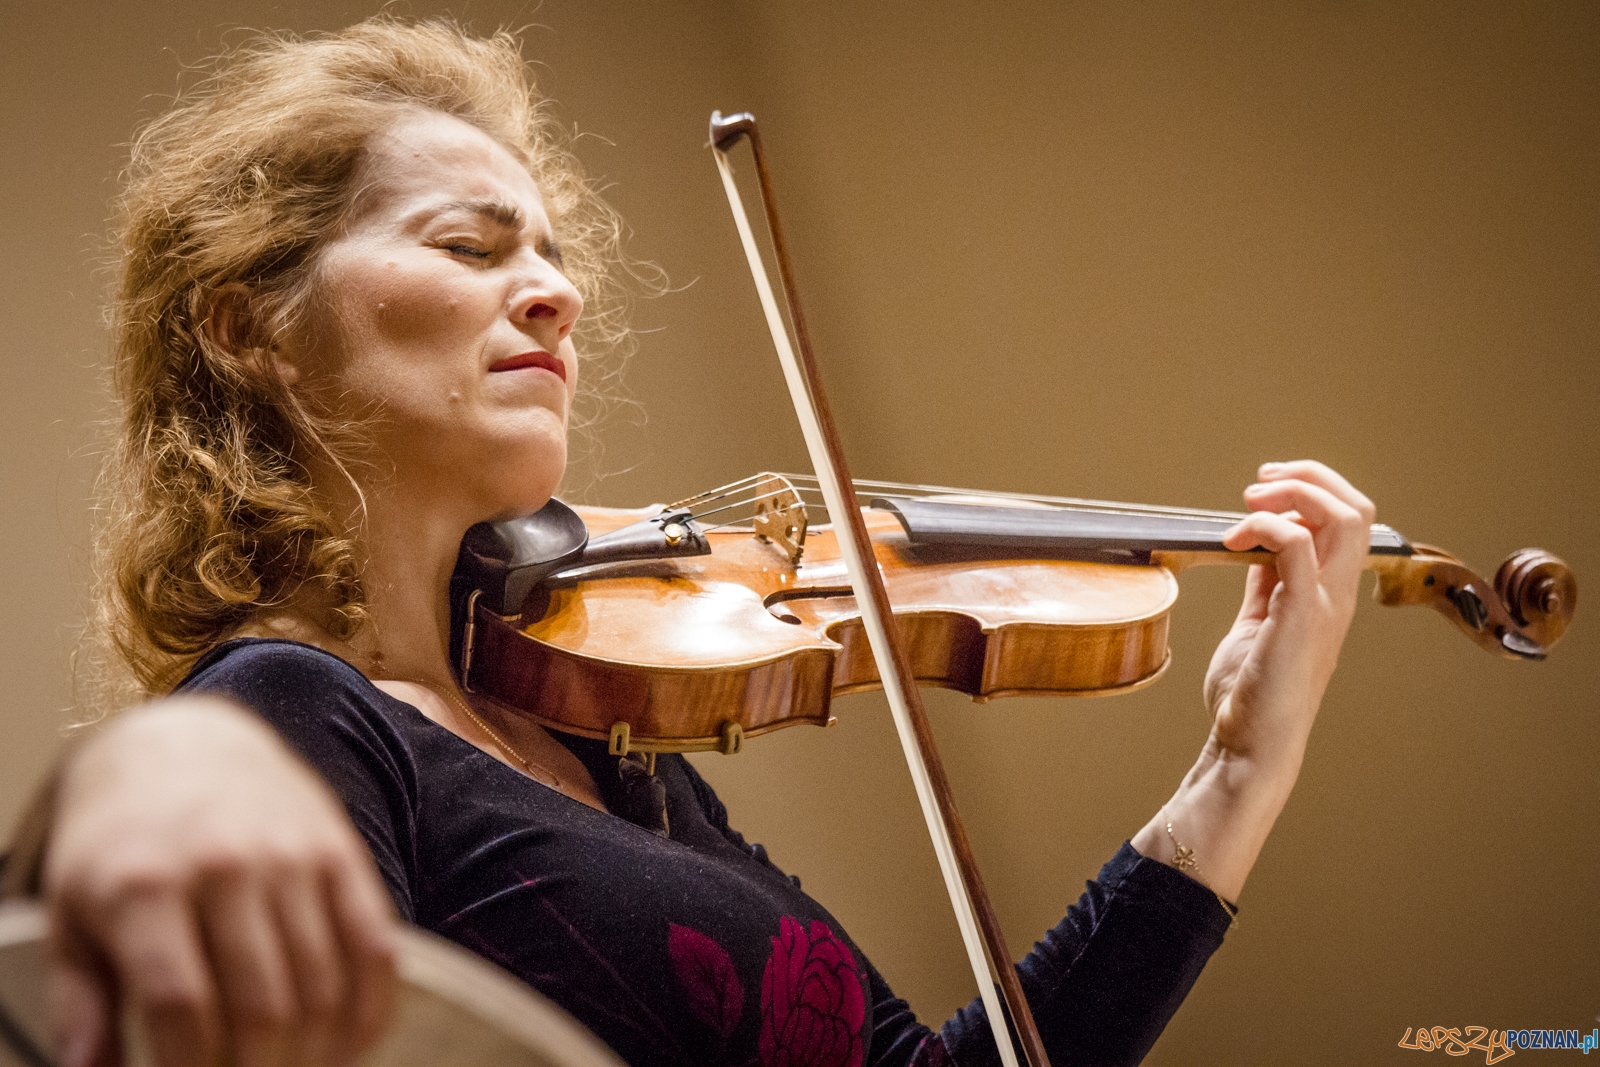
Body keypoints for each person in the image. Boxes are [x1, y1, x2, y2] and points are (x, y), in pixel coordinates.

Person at [10, 16, 1379, 1067]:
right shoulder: (289, 712)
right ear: (250, 328)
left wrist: (1238, 771)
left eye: (553, 259)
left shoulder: (608, 749)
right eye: (471, 247)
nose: (553, 295)